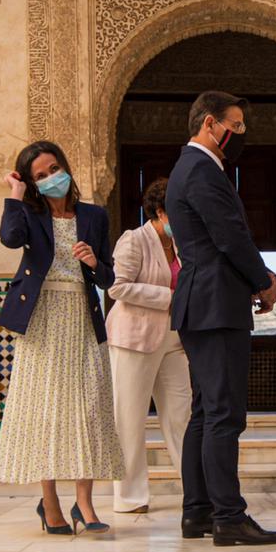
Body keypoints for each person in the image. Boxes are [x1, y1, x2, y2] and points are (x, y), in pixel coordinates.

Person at [165, 91, 276, 547]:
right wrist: (264, 281)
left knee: (205, 412)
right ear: (210, 124)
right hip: (215, 305)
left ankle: (197, 512)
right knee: (223, 414)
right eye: (234, 126)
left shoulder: (193, 168)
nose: (240, 135)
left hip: (205, 302)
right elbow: (230, 237)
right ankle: (229, 517)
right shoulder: (200, 169)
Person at [0, 140, 123, 534]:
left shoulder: (94, 216)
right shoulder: (29, 215)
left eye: (54, 169)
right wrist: (15, 195)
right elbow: (10, 239)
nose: (52, 178)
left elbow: (109, 277)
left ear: (65, 166)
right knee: (44, 409)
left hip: (83, 320)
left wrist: (93, 262)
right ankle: (49, 503)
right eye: (41, 176)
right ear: (33, 184)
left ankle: (85, 503)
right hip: (41, 320)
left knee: (89, 407)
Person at [106, 178, 191, 514]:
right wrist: (170, 298)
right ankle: (130, 497)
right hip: (134, 340)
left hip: (173, 340)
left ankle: (196, 490)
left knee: (182, 416)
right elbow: (117, 287)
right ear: (160, 211)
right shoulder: (134, 241)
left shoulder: (183, 244)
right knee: (128, 419)